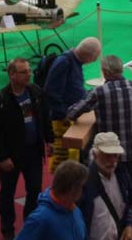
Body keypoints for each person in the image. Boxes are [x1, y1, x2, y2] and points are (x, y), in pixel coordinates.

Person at [0, 57, 53, 240]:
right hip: (11, 156)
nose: (29, 74)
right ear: (11, 75)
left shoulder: (36, 93)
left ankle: (30, 226)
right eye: (24, 72)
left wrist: (49, 140)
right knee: (7, 193)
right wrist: (1, 157)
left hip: (33, 152)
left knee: (34, 191)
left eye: (29, 70)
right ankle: (7, 229)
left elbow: (44, 118)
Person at [67, 55, 132, 182]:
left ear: (105, 71)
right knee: (128, 189)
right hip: (131, 153)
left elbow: (72, 113)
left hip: (108, 155)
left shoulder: (99, 92)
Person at [44, 37, 103, 170]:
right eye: (94, 58)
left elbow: (74, 87)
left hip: (70, 115)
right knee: (63, 160)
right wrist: (64, 114)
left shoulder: (74, 61)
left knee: (73, 156)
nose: (94, 61)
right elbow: (51, 91)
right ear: (89, 56)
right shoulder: (64, 62)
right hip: (62, 120)